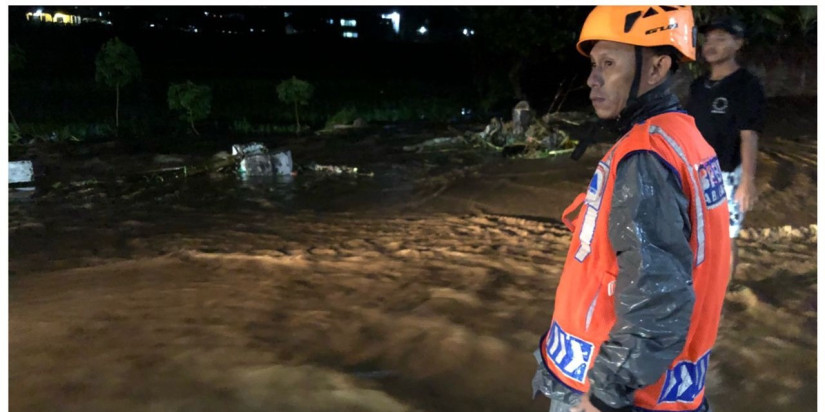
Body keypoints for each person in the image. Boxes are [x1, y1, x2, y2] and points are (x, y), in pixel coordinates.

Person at [531, 6, 731, 412]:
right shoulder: (686, 139)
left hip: (608, 391)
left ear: (656, 69)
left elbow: (658, 299)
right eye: (592, 64)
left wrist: (603, 396)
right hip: (670, 389)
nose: (592, 78)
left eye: (608, 63)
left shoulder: (646, 158)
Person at [686, 16, 765, 279]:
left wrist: (747, 182)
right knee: (693, 232)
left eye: (721, 39)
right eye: (708, 39)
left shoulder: (747, 86)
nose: (711, 45)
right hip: (693, 172)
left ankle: (721, 293)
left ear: (738, 44)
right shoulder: (698, 87)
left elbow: (749, 135)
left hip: (727, 175)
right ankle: (697, 283)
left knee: (725, 238)